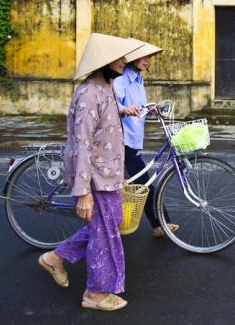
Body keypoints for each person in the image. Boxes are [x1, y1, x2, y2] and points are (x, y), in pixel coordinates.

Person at [37, 33, 144, 312]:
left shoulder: (105, 87)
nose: (124, 61)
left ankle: (56, 257)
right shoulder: (88, 94)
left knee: (109, 224)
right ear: (103, 62)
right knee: (104, 233)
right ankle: (95, 294)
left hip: (108, 172)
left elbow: (105, 119)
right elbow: (81, 145)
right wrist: (83, 192)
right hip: (94, 177)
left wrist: (122, 112)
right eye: (119, 58)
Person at [113, 40, 179, 238]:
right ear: (132, 58)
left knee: (132, 184)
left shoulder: (138, 79)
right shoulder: (121, 80)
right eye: (143, 57)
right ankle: (160, 224)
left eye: (149, 57)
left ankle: (122, 223)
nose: (147, 61)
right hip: (121, 140)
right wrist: (123, 110)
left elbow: (139, 107)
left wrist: (151, 110)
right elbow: (110, 107)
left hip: (133, 139)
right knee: (144, 184)